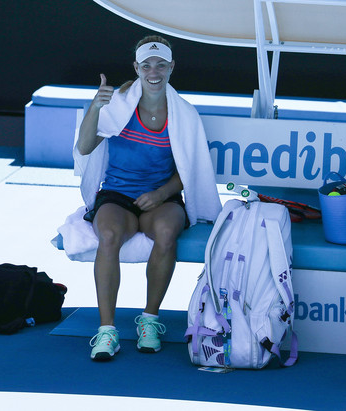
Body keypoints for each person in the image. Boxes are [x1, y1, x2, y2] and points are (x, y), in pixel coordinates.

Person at [75, 35, 222, 361]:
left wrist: (161, 194)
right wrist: (95, 107)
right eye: (146, 65)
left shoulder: (184, 113)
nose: (153, 71)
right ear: (136, 68)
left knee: (168, 233)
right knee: (109, 235)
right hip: (116, 196)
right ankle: (106, 330)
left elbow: (192, 169)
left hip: (163, 198)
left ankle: (150, 320)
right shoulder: (118, 104)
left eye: (160, 64)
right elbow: (85, 147)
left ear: (171, 67)